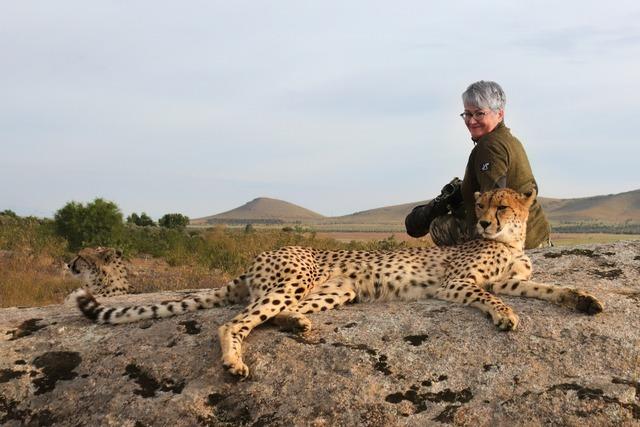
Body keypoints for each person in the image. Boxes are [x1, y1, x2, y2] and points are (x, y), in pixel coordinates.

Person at [405, 80, 551, 249]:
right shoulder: (508, 140)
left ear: (500, 114)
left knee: (440, 226)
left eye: (479, 114)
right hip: (536, 234)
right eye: (467, 114)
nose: (471, 121)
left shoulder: (490, 146)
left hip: (519, 242)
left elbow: (493, 201)